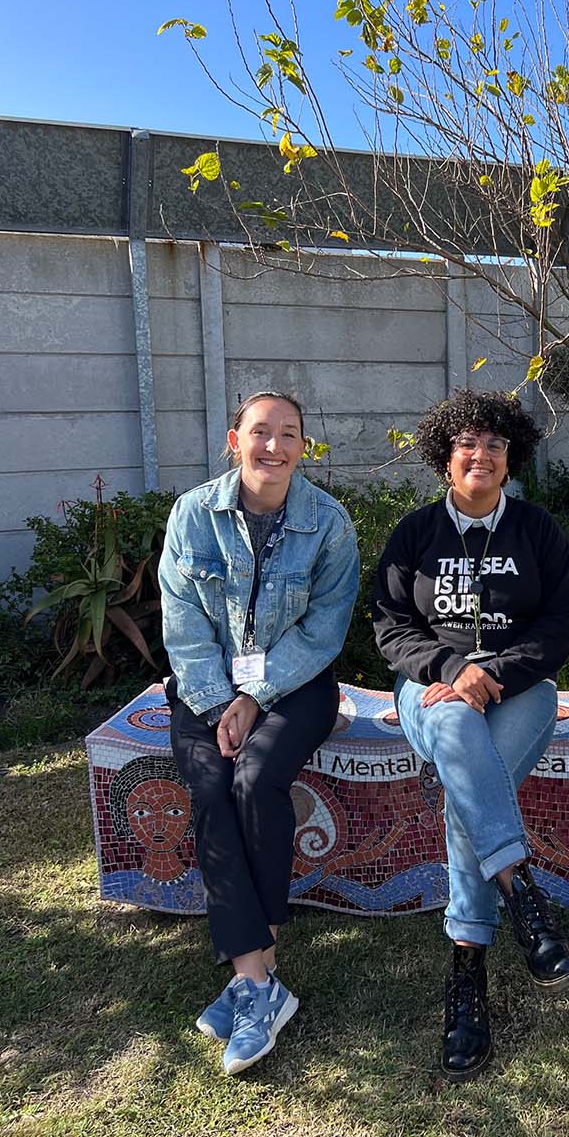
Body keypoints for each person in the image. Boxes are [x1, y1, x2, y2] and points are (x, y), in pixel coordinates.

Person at [373, 389, 569, 1081]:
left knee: (466, 795)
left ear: (510, 457)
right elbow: (391, 628)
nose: (481, 455)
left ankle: (468, 976)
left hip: (521, 691)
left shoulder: (536, 530)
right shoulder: (414, 535)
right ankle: (520, 896)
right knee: (458, 726)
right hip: (430, 692)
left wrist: (490, 669)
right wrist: (449, 668)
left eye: (495, 444)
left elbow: (556, 630)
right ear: (445, 456)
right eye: (468, 443)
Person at [158, 390, 359, 1075]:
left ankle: (251, 979)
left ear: (303, 446)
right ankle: (257, 976)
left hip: (298, 687)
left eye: (289, 434)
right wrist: (221, 705)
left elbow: (325, 629)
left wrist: (256, 696)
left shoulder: (328, 523)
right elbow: (182, 627)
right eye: (260, 432)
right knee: (212, 784)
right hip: (204, 689)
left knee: (256, 776)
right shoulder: (192, 515)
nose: (273, 446)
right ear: (232, 439)